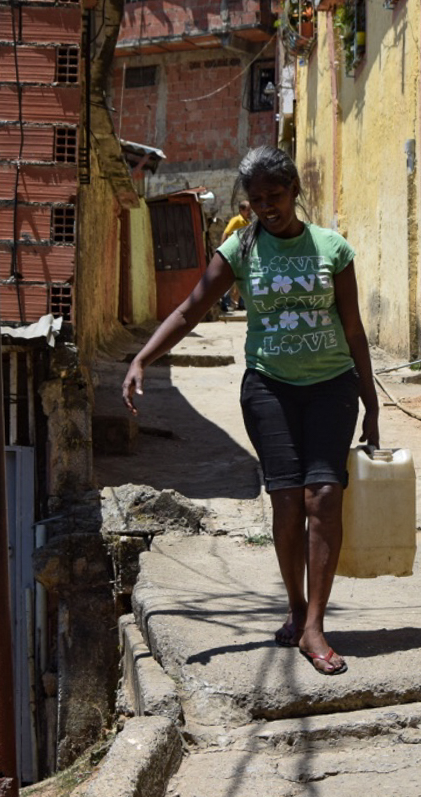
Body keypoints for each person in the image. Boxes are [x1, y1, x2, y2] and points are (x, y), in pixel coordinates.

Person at [123, 145, 380, 676]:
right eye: (257, 199)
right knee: (287, 500)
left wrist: (370, 403)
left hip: (332, 386)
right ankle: (294, 608)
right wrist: (143, 358)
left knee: (324, 496)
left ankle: (314, 624)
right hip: (269, 389)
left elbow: (353, 330)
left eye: (276, 195)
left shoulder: (333, 249)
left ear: (295, 192)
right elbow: (193, 307)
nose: (267, 206)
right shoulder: (240, 250)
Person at [219, 201, 252, 310]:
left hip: (244, 255)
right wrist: (222, 251)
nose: (249, 212)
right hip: (235, 256)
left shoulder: (248, 223)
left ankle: (242, 303)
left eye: (250, 210)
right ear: (241, 211)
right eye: (247, 210)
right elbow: (226, 233)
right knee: (231, 279)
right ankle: (225, 302)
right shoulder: (236, 220)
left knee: (243, 279)